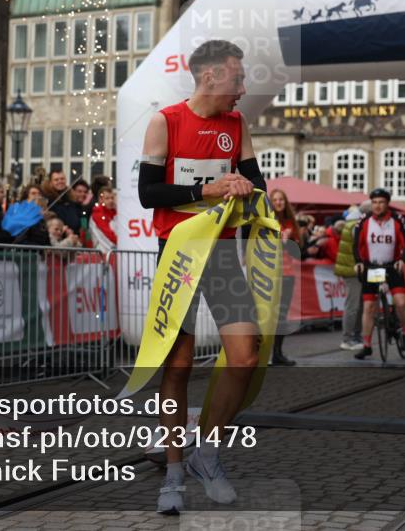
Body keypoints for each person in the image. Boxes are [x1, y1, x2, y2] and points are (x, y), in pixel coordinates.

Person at [137, 39, 265, 514]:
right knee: (178, 365)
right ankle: (172, 473)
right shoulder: (165, 121)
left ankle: (205, 454)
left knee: (244, 357)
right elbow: (149, 193)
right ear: (210, 76)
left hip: (223, 251)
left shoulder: (237, 123)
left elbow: (260, 187)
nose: (243, 87)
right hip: (178, 252)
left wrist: (244, 186)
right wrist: (206, 188)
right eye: (237, 78)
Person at [353, 188, 405, 358]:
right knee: (369, 307)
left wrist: (403, 259)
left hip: (393, 267)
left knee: (400, 302)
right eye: (375, 203)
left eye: (381, 202)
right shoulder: (364, 221)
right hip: (373, 268)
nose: (378, 206)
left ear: (387, 204)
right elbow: (356, 245)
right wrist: (358, 262)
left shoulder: (397, 219)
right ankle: (366, 345)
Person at [268, 188, 299, 366]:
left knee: (281, 315)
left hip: (287, 274)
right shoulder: (267, 221)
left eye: (281, 200)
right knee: (266, 315)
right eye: (275, 200)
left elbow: (297, 253)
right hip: (269, 274)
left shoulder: (290, 223)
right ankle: (262, 354)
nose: (278, 202)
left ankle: (278, 353)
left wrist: (287, 244)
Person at [334, 203, 368, 350]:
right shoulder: (356, 225)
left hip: (355, 269)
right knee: (353, 305)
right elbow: (362, 246)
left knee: (359, 305)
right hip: (352, 269)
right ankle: (347, 338)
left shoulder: (353, 222)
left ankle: (355, 336)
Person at [52, 178, 91, 245]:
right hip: (66, 244)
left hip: (80, 245)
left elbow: (85, 228)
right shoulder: (66, 207)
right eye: (79, 191)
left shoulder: (85, 209)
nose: (83, 194)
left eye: (85, 192)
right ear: (72, 191)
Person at [90, 185, 117, 253]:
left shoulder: (114, 213)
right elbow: (107, 234)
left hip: (111, 252)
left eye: (112, 198)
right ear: (100, 199)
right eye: (107, 198)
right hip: (103, 253)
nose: (111, 201)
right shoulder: (97, 214)